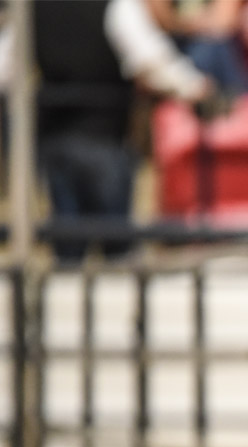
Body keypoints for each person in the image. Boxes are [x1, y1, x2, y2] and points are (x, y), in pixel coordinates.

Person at [34, 0, 211, 260]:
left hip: (55, 140)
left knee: (68, 252)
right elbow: (149, 61)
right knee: (117, 253)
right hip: (104, 138)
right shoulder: (114, 5)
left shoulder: (34, 7)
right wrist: (195, 88)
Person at [145, 0, 248, 95]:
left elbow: (226, 20)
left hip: (216, 45)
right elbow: (160, 18)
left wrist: (191, 24)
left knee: (214, 47)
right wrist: (188, 25)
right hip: (177, 45)